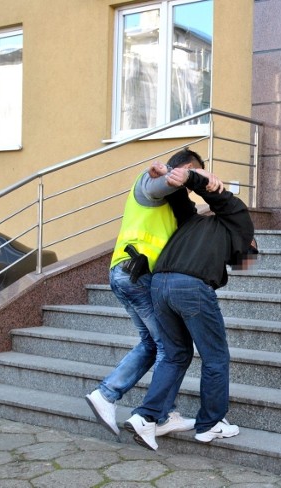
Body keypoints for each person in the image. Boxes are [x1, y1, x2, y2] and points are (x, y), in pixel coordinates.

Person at [85, 148, 222, 437]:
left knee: (154, 343)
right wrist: (178, 177)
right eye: (193, 173)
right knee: (174, 348)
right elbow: (159, 184)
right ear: (186, 168)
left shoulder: (174, 204)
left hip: (130, 275)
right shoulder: (149, 184)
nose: (194, 181)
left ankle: (163, 413)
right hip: (136, 275)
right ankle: (112, 396)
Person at [123, 167, 257, 451]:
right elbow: (219, 195)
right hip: (190, 286)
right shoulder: (241, 224)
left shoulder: (191, 222)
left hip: (159, 284)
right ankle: (210, 425)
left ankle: (146, 416)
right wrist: (190, 176)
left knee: (175, 354)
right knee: (215, 357)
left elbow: (179, 199)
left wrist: (168, 175)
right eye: (251, 252)